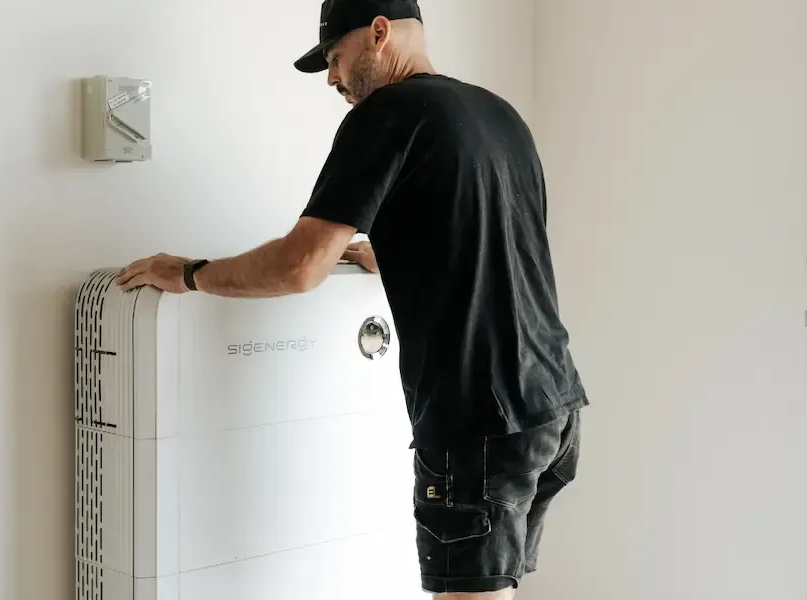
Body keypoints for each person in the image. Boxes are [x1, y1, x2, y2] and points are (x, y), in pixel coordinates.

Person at [117, 0, 588, 597]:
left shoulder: (389, 113)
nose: (334, 79)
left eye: (336, 59)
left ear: (379, 34)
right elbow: (497, 240)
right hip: (553, 404)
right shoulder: (497, 114)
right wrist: (392, 249)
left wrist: (188, 273)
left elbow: (300, 264)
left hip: (480, 420)